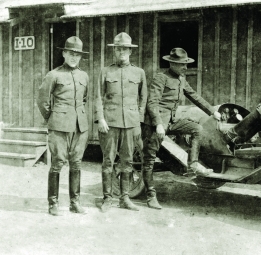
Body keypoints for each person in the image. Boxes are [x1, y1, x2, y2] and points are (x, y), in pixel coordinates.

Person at [142, 48, 221, 210]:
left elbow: (195, 96)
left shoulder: (181, 79)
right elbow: (152, 103)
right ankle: (151, 196)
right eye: (181, 64)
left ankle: (192, 165)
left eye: (186, 64)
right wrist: (157, 124)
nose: (185, 67)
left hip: (171, 122)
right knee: (149, 161)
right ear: (171, 63)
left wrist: (213, 111)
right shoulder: (161, 78)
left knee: (197, 129)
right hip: (155, 125)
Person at [94, 32, 147, 212]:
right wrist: (100, 118)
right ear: (114, 51)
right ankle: (107, 198)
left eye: (125, 49)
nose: (121, 52)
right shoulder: (105, 71)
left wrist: (138, 121)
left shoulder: (139, 72)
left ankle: (125, 198)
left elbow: (143, 98)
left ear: (130, 51)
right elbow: (98, 97)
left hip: (131, 124)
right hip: (109, 123)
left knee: (128, 162)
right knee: (108, 161)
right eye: (118, 49)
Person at [37, 36, 89, 216]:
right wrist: (52, 118)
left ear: (80, 56)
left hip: (80, 127)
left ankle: (75, 202)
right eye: (71, 53)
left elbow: (84, 99)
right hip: (59, 126)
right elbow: (42, 100)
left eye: (77, 54)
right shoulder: (54, 75)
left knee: (76, 164)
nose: (74, 57)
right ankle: (53, 203)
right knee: (58, 163)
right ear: (64, 54)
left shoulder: (84, 76)